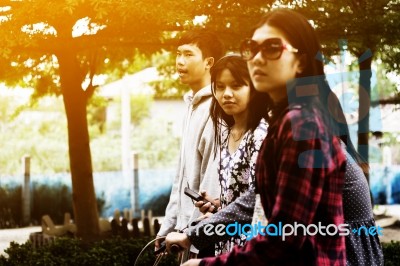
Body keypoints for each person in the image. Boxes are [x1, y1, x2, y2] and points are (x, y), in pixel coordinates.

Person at [172, 9, 350, 265]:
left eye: (272, 48)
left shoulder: (303, 126)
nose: (257, 58)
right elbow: (256, 203)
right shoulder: (286, 121)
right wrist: (197, 234)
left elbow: (285, 240)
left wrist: (205, 263)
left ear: (300, 61)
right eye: (252, 48)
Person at [165, 54, 268, 256]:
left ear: (254, 89)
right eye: (220, 87)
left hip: (253, 251)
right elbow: (240, 199)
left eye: (236, 86)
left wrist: (196, 234)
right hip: (226, 246)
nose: (226, 94)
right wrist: (219, 205)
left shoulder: (260, 134)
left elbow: (260, 203)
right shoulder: (226, 133)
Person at [155, 29, 225, 259]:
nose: (179, 61)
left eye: (188, 54)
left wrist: (196, 235)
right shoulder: (192, 106)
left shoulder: (216, 108)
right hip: (187, 235)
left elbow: (212, 180)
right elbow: (181, 179)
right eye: (178, 54)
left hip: (204, 237)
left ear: (208, 62)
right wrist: (167, 228)